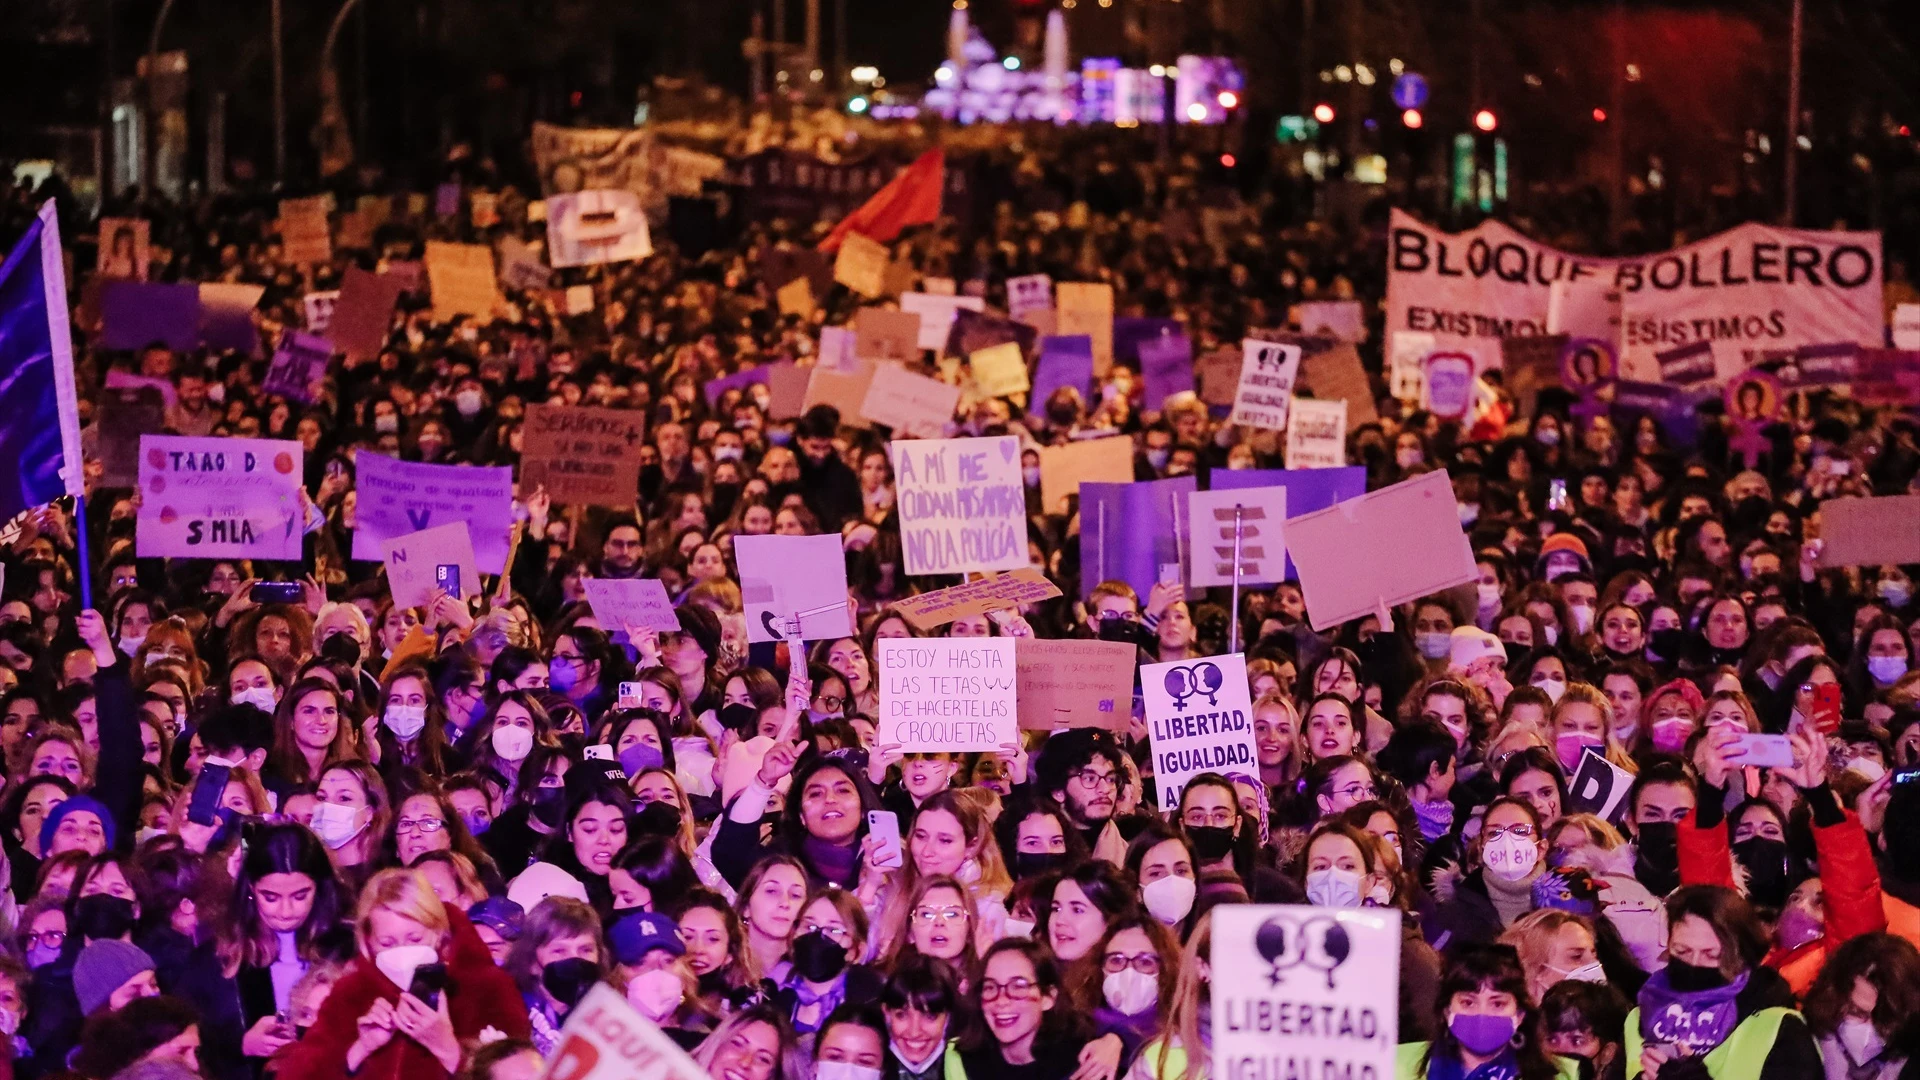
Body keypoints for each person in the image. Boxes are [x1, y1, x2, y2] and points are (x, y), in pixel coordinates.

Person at [272, 869, 529, 1080]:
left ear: (439, 932)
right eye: (387, 943)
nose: (402, 952)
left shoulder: (487, 988)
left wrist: (449, 1051)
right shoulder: (351, 993)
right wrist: (359, 1051)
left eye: (415, 938)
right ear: (368, 941)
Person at [1624, 886, 1821, 1079]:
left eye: (1711, 955)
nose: (1694, 964)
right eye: (1681, 951)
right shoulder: (1641, 1014)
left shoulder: (1779, 1026)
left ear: (1741, 956)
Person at [1397, 944, 1578, 1080]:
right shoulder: (1394, 1065)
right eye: (1468, 1002)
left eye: (1497, 1004)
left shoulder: (1566, 1075)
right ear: (1446, 1011)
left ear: (1520, 1015)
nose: (1482, 1014)